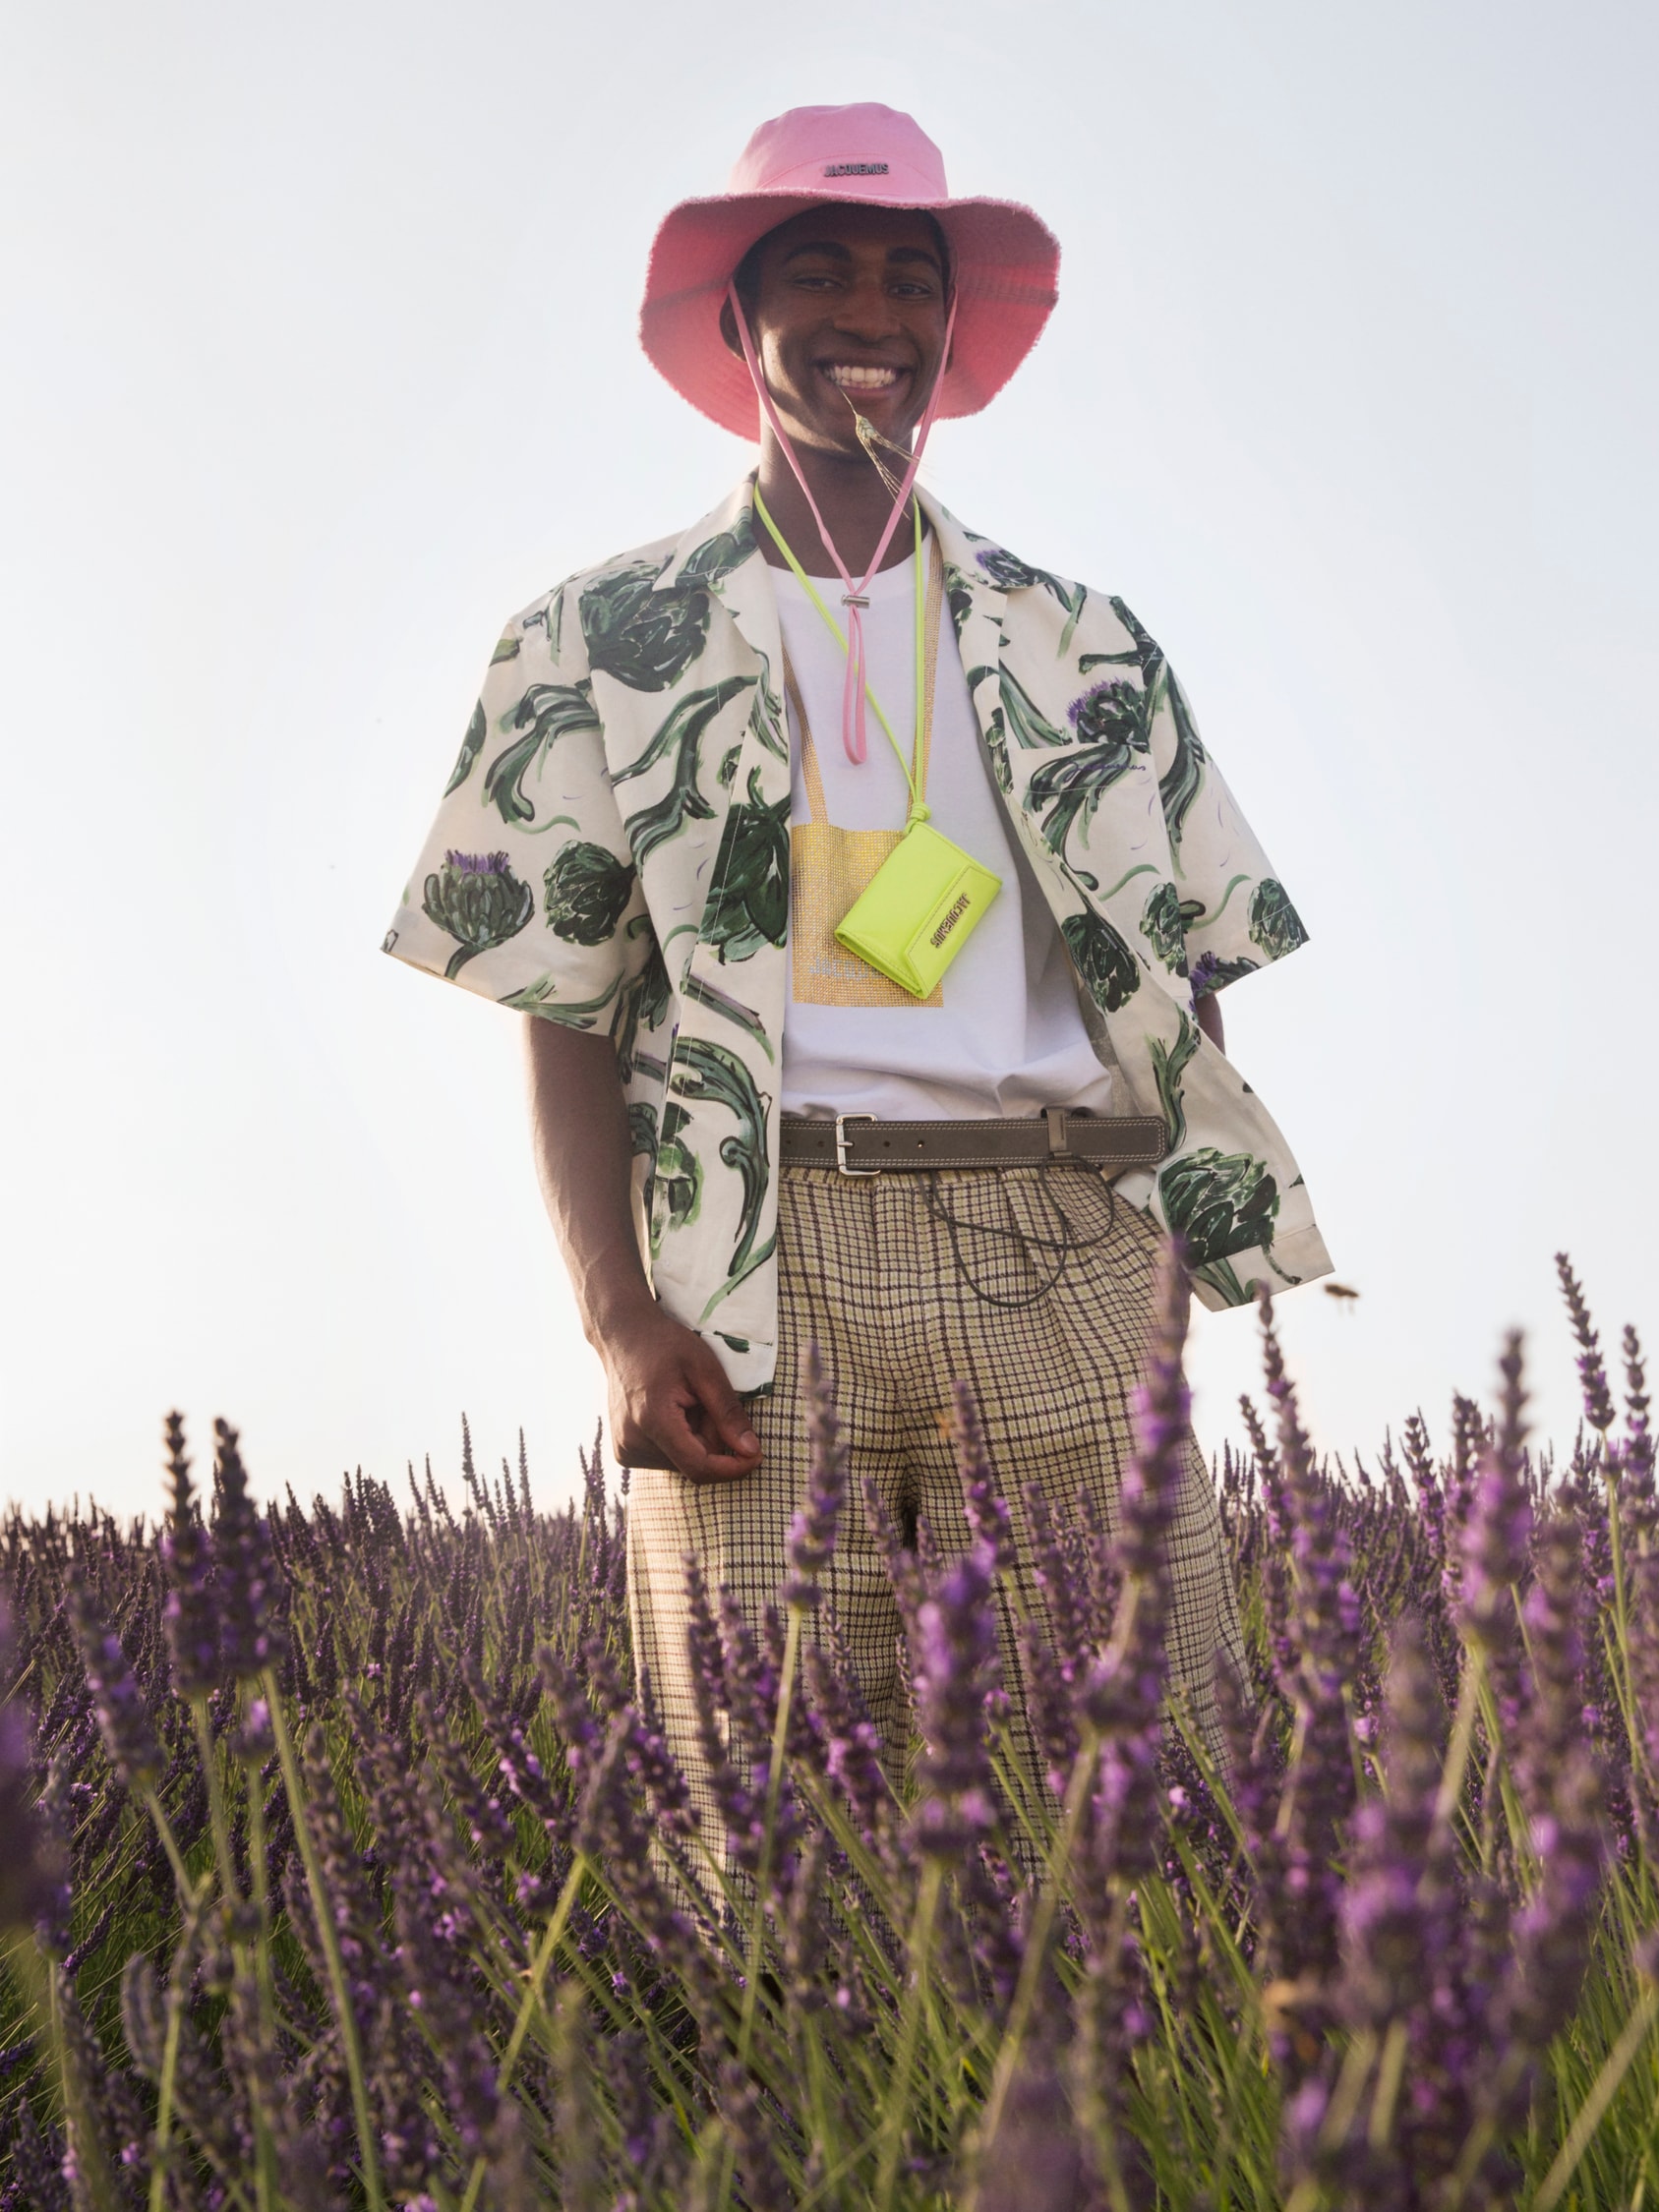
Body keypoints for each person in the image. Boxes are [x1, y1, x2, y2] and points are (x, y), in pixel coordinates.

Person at [384, 102, 1331, 1857]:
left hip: (1064, 1242)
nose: (871, 312)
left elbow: (1193, 961)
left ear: (952, 330)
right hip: (761, 1260)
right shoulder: (597, 639)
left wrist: (1167, 1271)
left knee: (1151, 1815)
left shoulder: (1089, 640)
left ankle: (1147, 2137)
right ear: (736, 322)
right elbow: (564, 1002)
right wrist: (616, 1315)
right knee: (777, 1838)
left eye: (912, 276)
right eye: (816, 270)